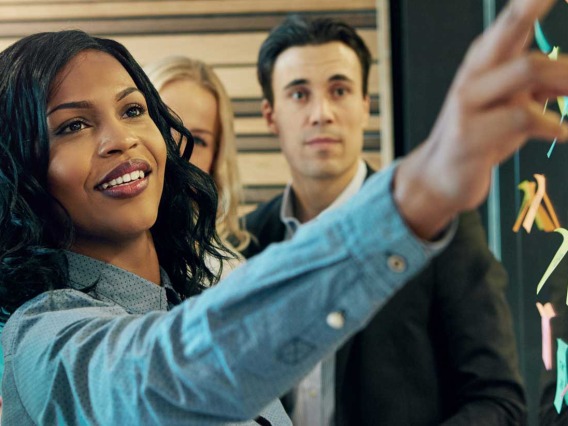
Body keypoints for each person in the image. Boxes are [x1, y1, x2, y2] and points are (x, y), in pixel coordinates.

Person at [0, 0, 567, 424]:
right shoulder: (40, 338)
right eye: (73, 125)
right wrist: (411, 199)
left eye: (133, 109)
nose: (119, 139)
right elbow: (161, 374)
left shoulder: (208, 278)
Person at [242, 14, 527, 426]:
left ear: (364, 107)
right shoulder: (245, 242)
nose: (322, 113)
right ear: (271, 116)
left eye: (339, 90)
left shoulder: (436, 226)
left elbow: (499, 401)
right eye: (299, 95)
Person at [143, 56, 250, 255]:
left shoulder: (230, 274)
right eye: (163, 128)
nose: (177, 150)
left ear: (215, 159)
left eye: (198, 140)